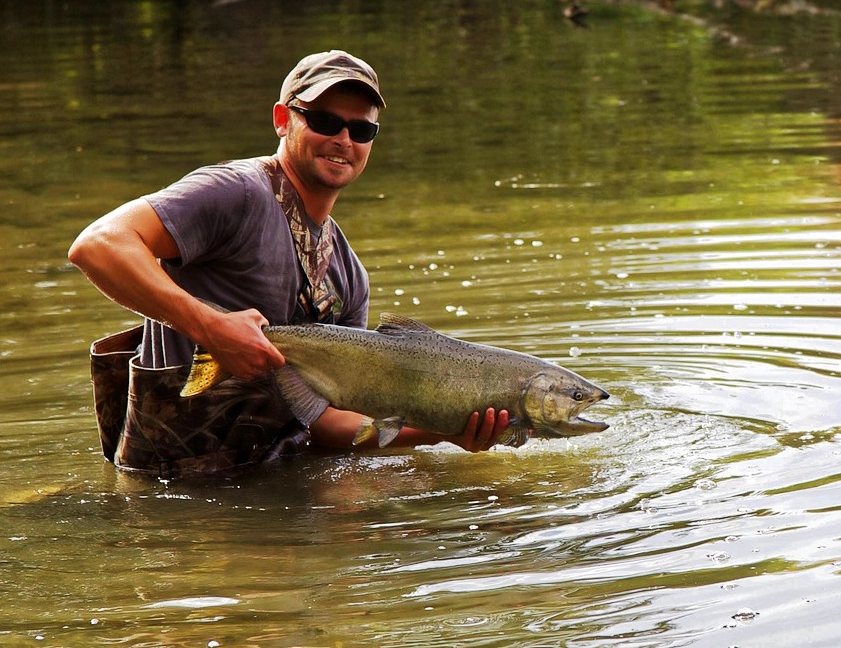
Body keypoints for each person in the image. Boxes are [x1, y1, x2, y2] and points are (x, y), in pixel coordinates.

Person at [69, 49, 511, 475]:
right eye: (324, 121)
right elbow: (98, 245)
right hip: (170, 488)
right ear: (282, 119)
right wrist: (211, 328)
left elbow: (329, 421)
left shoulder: (348, 275)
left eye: (362, 130)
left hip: (270, 478)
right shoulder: (236, 192)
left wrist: (442, 432)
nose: (344, 140)